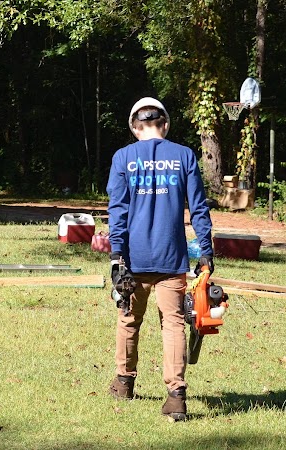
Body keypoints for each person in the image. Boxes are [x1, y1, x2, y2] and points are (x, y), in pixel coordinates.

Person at [105, 97, 214, 421]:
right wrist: (205, 251)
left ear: (134, 126)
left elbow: (118, 211)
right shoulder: (184, 156)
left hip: (133, 260)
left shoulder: (123, 157)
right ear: (164, 124)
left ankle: (124, 383)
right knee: (174, 326)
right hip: (172, 259)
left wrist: (116, 258)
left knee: (128, 319)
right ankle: (176, 397)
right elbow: (199, 209)